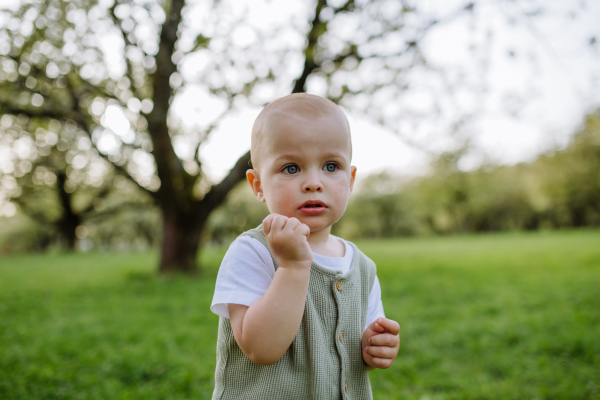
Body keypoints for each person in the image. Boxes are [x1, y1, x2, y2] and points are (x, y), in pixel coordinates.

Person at [211, 93, 400, 399]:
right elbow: (260, 348)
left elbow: (358, 340)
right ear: (258, 186)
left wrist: (374, 345)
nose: (313, 182)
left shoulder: (362, 267)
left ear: (350, 180)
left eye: (330, 165)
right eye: (291, 168)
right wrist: (294, 267)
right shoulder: (253, 251)